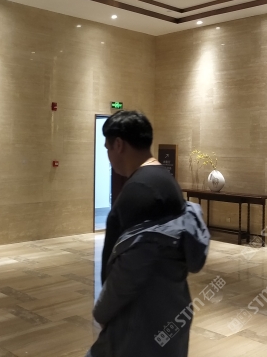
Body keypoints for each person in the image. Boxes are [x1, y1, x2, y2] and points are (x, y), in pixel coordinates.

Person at [87, 110, 210, 357]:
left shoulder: (140, 191)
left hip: (139, 319)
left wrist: (102, 311)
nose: (108, 156)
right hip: (168, 307)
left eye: (107, 148)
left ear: (119, 144)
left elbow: (131, 266)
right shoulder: (163, 180)